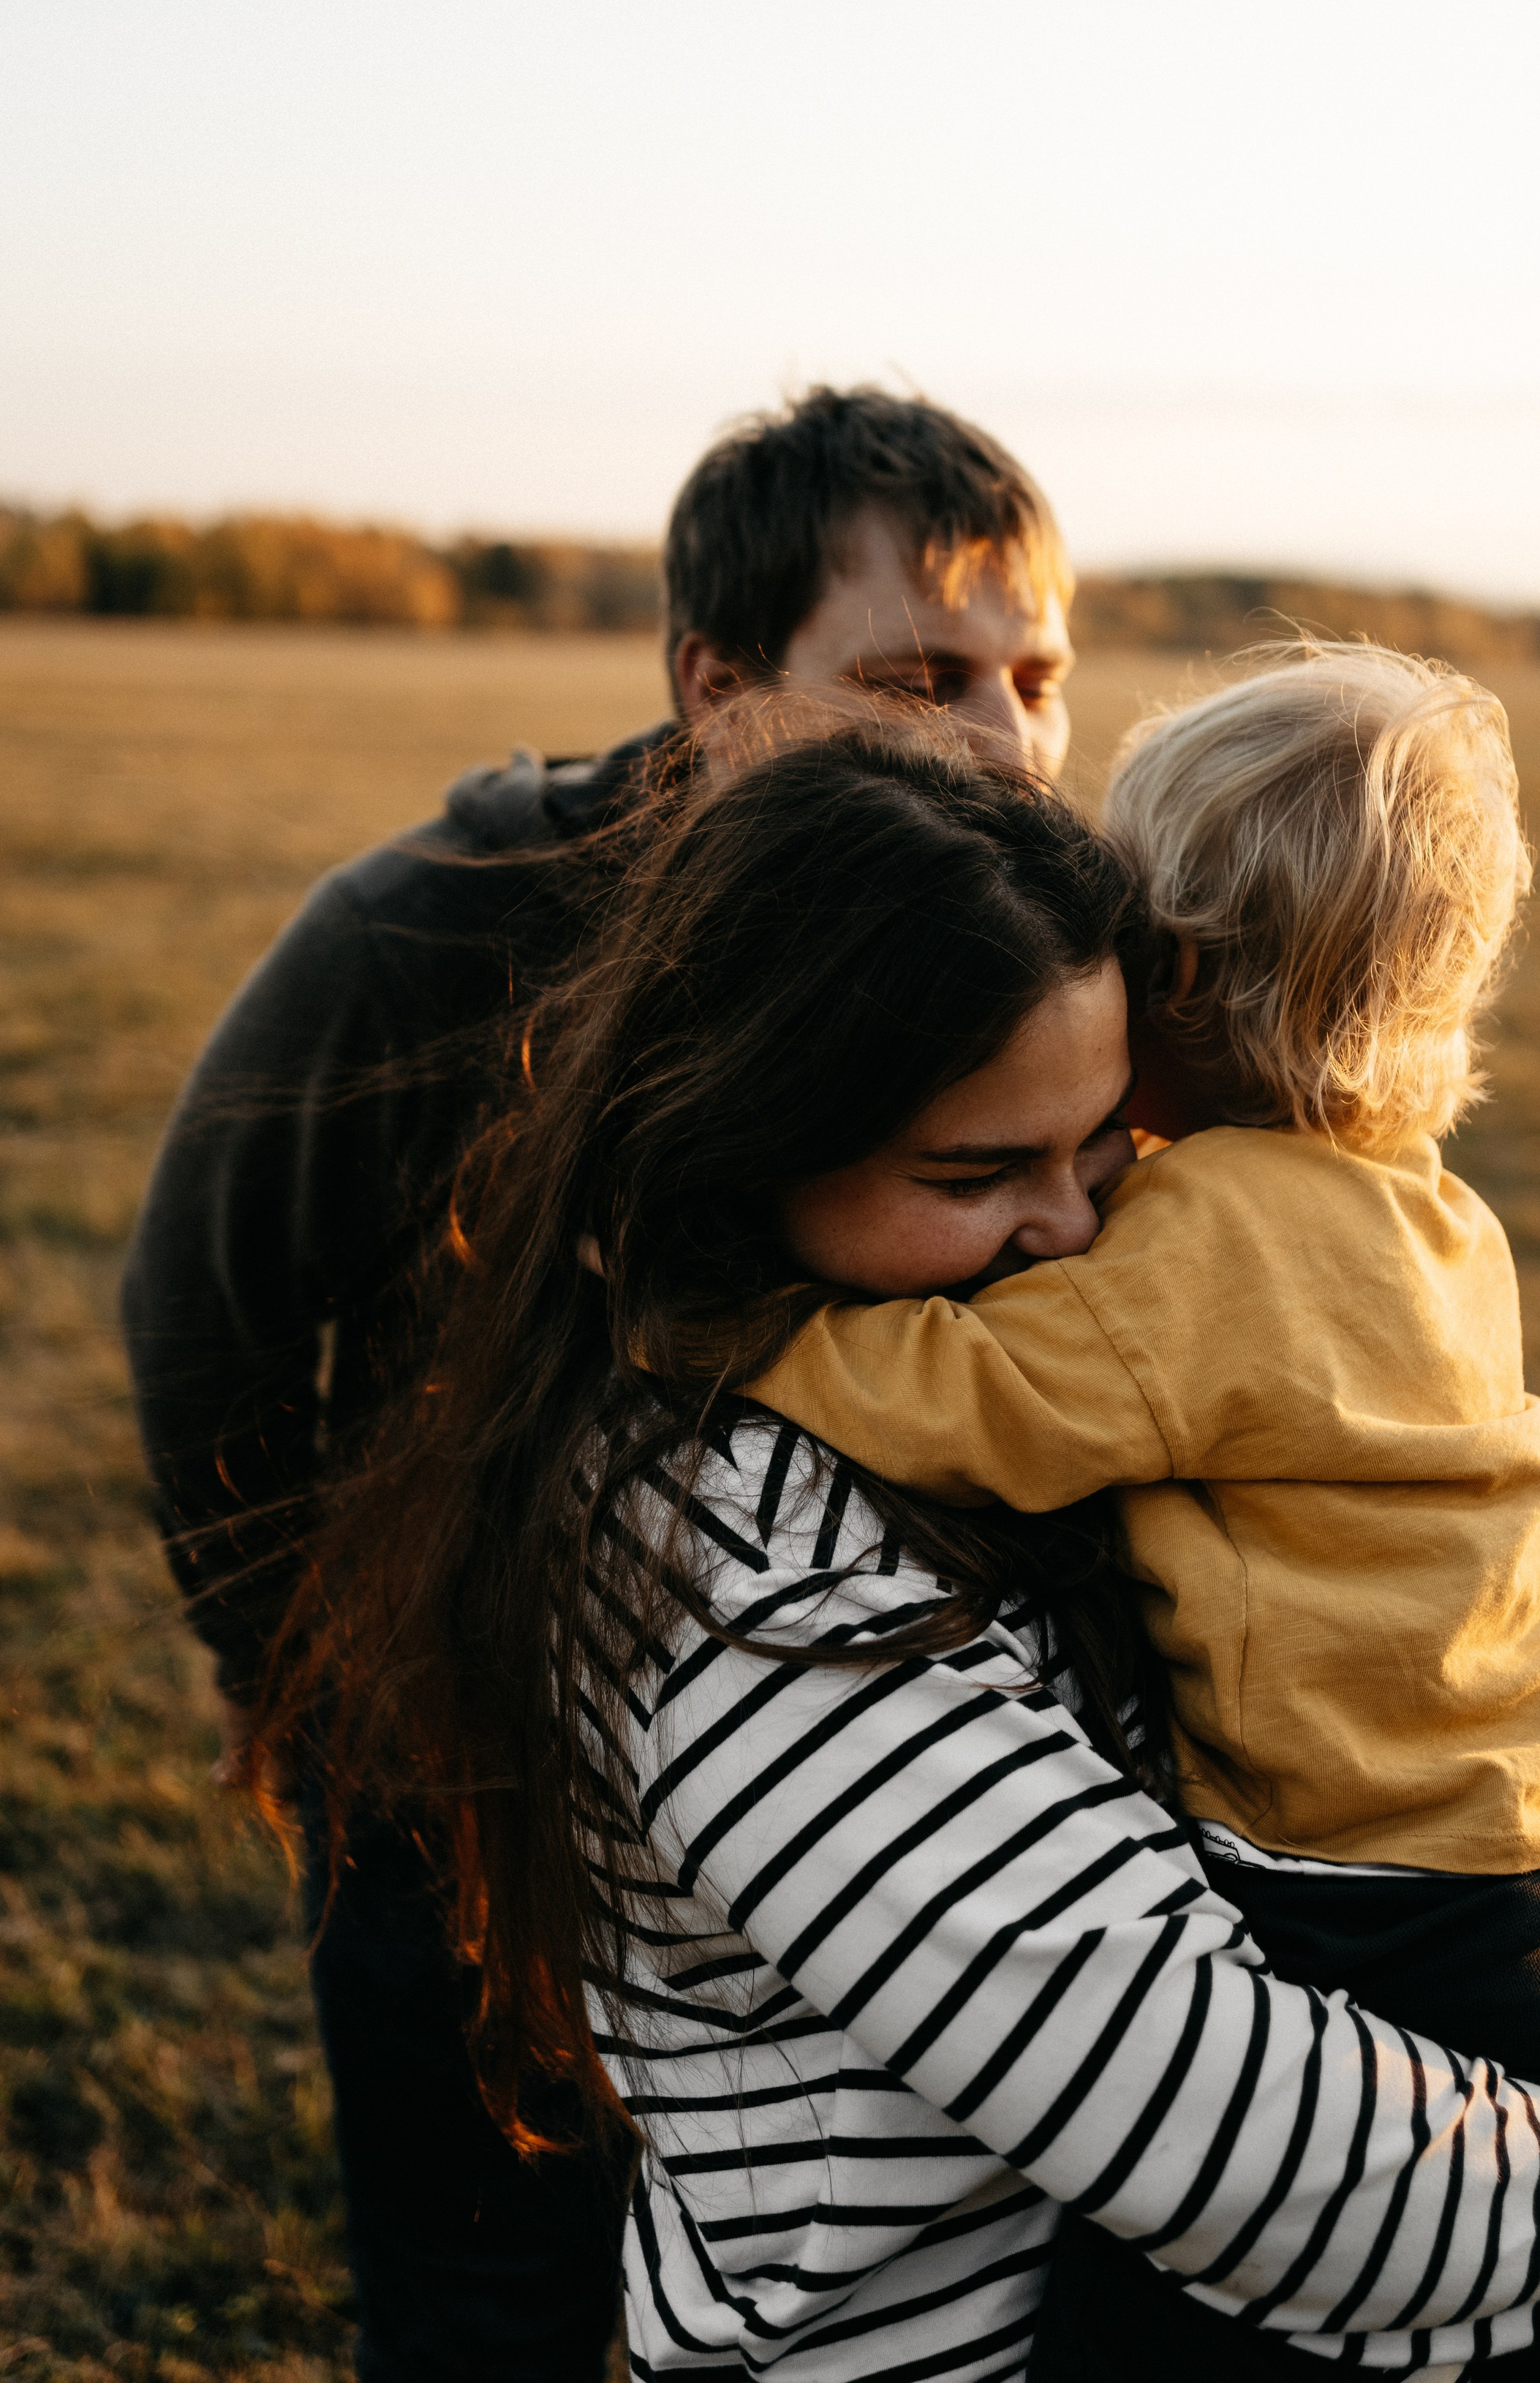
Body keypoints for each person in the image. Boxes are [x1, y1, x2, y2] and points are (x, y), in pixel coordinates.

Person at [252, 722, 1540, 2380]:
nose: (1072, 1227)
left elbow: (1406, 1688)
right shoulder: (730, 1564)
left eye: (1105, 1144)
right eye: (977, 1171)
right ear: (740, 1134)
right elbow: (1236, 2140)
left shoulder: (1053, 1357)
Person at [119, 387, 1078, 2383]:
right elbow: (201, 1312)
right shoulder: (419, 934)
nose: (1005, 742)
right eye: (919, 681)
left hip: (840, 1752)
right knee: (492, 2276)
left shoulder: (1010, 945)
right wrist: (319, 1690)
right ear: (717, 687)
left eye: (1037, 675)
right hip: (463, 1767)